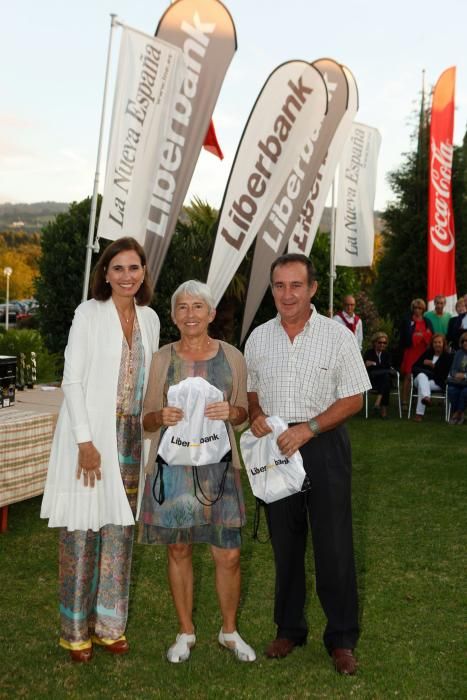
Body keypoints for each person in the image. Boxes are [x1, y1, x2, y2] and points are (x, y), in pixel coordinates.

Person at [244, 253, 371, 675]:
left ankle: (341, 637)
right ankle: (289, 628)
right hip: (277, 449)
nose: (287, 294)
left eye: (296, 285)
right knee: (286, 544)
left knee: (334, 545)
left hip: (324, 445)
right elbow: (253, 391)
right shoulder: (259, 338)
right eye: (279, 286)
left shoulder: (337, 336)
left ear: (312, 288)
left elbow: (355, 397)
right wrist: (257, 415)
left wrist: (309, 428)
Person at [41, 237, 160, 662]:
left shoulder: (150, 319)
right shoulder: (88, 313)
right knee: (81, 531)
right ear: (105, 274)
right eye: (119, 268)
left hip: (131, 439)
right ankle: (74, 630)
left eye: (134, 268)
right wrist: (84, 442)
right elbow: (71, 380)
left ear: (144, 272)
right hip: (90, 437)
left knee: (120, 531)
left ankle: (111, 625)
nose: (127, 276)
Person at [140, 280, 255, 664]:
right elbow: (145, 420)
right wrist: (161, 416)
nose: (190, 314)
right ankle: (185, 632)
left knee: (229, 555)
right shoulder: (161, 360)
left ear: (210, 313)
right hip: (173, 472)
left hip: (218, 471)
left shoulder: (232, 358)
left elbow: (241, 414)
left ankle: (229, 631)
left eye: (197, 307)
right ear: (174, 316)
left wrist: (232, 412)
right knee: (178, 548)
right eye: (183, 307)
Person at [399, 299, 433, 408]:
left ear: (423, 309)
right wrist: (420, 335)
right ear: (412, 309)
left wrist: (421, 335)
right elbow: (404, 336)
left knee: (420, 375)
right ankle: (404, 401)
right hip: (411, 351)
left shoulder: (427, 321)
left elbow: (431, 334)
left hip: (423, 352)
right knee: (408, 376)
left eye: (420, 308)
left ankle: (415, 400)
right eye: (415, 308)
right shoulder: (407, 320)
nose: (417, 310)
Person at [411, 334, 452, 422]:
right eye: (435, 342)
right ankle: (426, 397)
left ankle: (419, 414)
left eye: (439, 342)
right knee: (422, 376)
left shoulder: (447, 357)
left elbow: (444, 375)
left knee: (423, 385)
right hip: (419, 380)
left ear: (444, 344)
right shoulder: (427, 353)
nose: (437, 344)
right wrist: (423, 364)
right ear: (432, 344)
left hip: (437, 382)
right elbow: (414, 367)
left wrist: (432, 366)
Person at [363, 331, 394, 418]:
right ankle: (383, 410)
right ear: (374, 343)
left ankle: (378, 402)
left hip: (383, 379)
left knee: (385, 378)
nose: (382, 345)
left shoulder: (387, 354)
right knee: (386, 378)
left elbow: (388, 365)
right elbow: (368, 367)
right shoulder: (369, 353)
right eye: (379, 342)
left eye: (384, 343)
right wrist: (379, 366)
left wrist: (374, 364)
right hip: (372, 380)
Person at [447, 331, 467, 425]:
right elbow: (453, 369)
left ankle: (456, 414)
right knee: (451, 390)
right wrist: (455, 375)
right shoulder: (458, 353)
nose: (465, 343)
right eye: (463, 341)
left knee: (464, 392)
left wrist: (464, 376)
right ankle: (459, 413)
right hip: (457, 381)